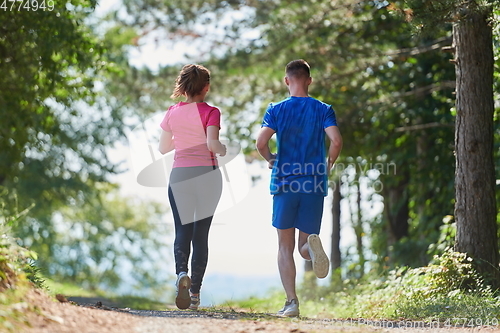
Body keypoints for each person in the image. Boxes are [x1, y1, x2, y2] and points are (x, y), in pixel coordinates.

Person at [256, 59, 343, 317]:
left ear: (286, 81)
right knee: (304, 246)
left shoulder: (276, 109)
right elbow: (336, 141)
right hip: (314, 182)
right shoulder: (323, 109)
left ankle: (292, 302)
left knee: (285, 246)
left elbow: (261, 142)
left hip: (284, 182)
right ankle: (312, 248)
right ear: (309, 80)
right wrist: (327, 164)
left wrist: (271, 159)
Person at [158, 64, 226, 310]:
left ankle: (180, 274)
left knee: (181, 230)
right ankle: (195, 293)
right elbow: (212, 144)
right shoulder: (212, 111)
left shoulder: (172, 112)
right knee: (201, 235)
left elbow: (163, 148)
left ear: (184, 87)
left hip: (179, 176)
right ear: (206, 87)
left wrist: (184, 138)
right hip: (207, 176)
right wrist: (222, 149)